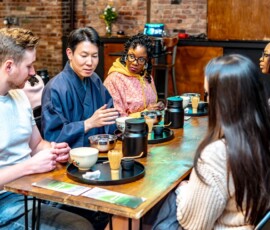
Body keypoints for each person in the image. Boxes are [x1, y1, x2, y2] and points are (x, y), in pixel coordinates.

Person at [152, 54, 270, 229]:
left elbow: (195, 224)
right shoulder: (262, 135)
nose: (207, 100)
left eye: (208, 94)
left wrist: (182, 190)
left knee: (168, 199)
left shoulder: (218, 153)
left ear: (223, 100)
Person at [0, 28, 94, 229]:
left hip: (32, 186)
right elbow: (31, 161)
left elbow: (36, 144)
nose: (33, 72)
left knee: (97, 209)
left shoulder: (19, 97)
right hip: (5, 200)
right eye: (29, 66)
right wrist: (31, 166)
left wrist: (54, 149)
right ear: (9, 66)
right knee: (79, 227)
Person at [42, 27, 119, 148]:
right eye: (84, 55)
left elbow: (109, 115)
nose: (90, 62)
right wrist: (87, 124)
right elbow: (53, 137)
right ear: (69, 54)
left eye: (94, 56)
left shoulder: (95, 79)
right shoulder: (55, 88)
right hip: (70, 158)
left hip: (99, 151)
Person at [104, 33, 164, 117]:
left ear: (146, 61)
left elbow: (151, 105)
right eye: (131, 56)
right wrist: (145, 113)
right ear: (126, 55)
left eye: (141, 59)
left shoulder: (146, 76)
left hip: (148, 125)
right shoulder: (115, 79)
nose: (135, 63)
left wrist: (156, 107)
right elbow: (117, 118)